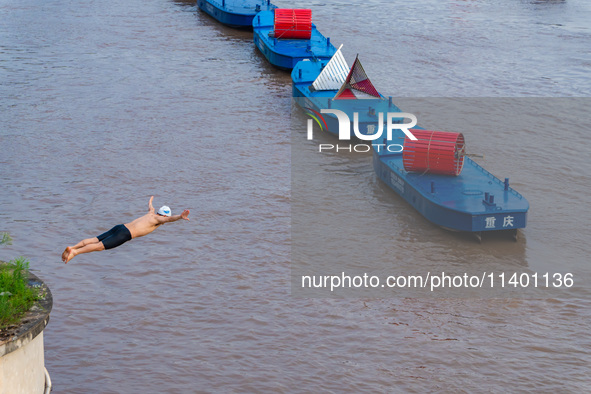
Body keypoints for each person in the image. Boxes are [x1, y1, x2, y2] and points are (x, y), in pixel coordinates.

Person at [62, 196, 189, 264]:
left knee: (95, 239)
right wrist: (180, 217)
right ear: (165, 215)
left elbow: (151, 207)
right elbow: (169, 219)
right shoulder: (158, 220)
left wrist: (150, 200)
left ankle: (73, 246)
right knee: (98, 246)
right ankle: (74, 252)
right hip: (125, 234)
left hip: (120, 227)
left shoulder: (151, 214)